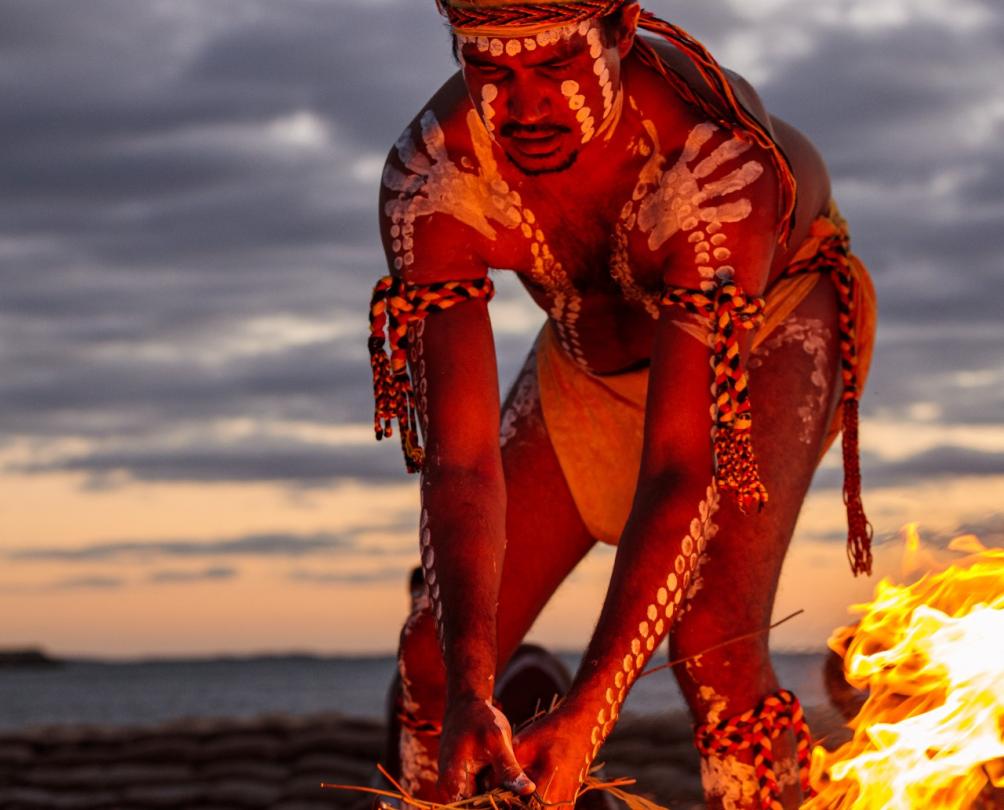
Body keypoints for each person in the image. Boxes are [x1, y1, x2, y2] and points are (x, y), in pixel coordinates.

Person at [367, 1, 877, 807]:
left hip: (764, 329)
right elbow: (460, 465)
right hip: (586, 360)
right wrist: (470, 687)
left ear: (624, 27)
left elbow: (681, 469)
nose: (526, 108)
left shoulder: (712, 162)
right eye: (491, 69)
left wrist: (588, 713)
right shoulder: (435, 177)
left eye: (557, 67)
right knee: (433, 662)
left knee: (715, 646)